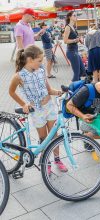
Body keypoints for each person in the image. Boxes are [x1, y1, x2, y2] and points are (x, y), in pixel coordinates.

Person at [9, 45, 68, 174]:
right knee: (43, 138)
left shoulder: (41, 70)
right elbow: (11, 92)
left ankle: (57, 159)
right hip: (36, 111)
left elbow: (49, 90)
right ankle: (46, 161)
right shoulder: (19, 76)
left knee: (54, 135)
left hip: (49, 107)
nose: (42, 63)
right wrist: (24, 104)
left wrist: (60, 92)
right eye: (40, 60)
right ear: (30, 60)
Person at [63, 11, 86, 82]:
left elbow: (75, 38)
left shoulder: (73, 27)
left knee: (82, 71)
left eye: (76, 15)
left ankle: (77, 87)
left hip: (75, 51)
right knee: (77, 73)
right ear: (70, 17)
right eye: (74, 15)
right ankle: (70, 88)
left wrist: (79, 40)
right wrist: (75, 40)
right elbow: (65, 41)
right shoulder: (68, 27)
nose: (76, 17)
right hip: (71, 52)